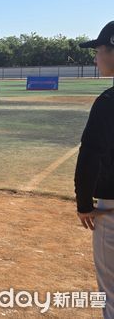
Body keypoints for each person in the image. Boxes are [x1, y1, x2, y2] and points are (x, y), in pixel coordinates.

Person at [75, 21, 114, 319]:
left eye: (100, 50)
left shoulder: (107, 102)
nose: (96, 57)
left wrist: (84, 204)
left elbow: (90, 157)